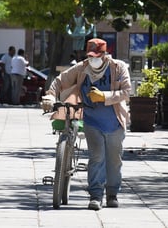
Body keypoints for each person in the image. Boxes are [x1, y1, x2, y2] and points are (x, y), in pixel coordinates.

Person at [42, 38, 131, 211]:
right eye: (91, 56)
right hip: (92, 122)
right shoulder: (82, 68)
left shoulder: (118, 67)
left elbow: (127, 92)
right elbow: (60, 81)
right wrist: (50, 96)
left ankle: (112, 193)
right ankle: (96, 195)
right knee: (96, 158)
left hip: (115, 123)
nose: (93, 59)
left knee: (114, 160)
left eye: (97, 55)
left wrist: (104, 96)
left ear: (105, 54)